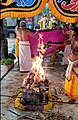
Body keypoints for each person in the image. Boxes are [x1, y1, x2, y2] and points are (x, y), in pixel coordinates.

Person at [65, 27, 78, 103]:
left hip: (76, 64)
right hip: (71, 63)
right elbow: (64, 43)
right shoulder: (73, 40)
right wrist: (51, 43)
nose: (72, 36)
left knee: (76, 82)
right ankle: (70, 93)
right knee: (70, 79)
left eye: (73, 34)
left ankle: (74, 97)